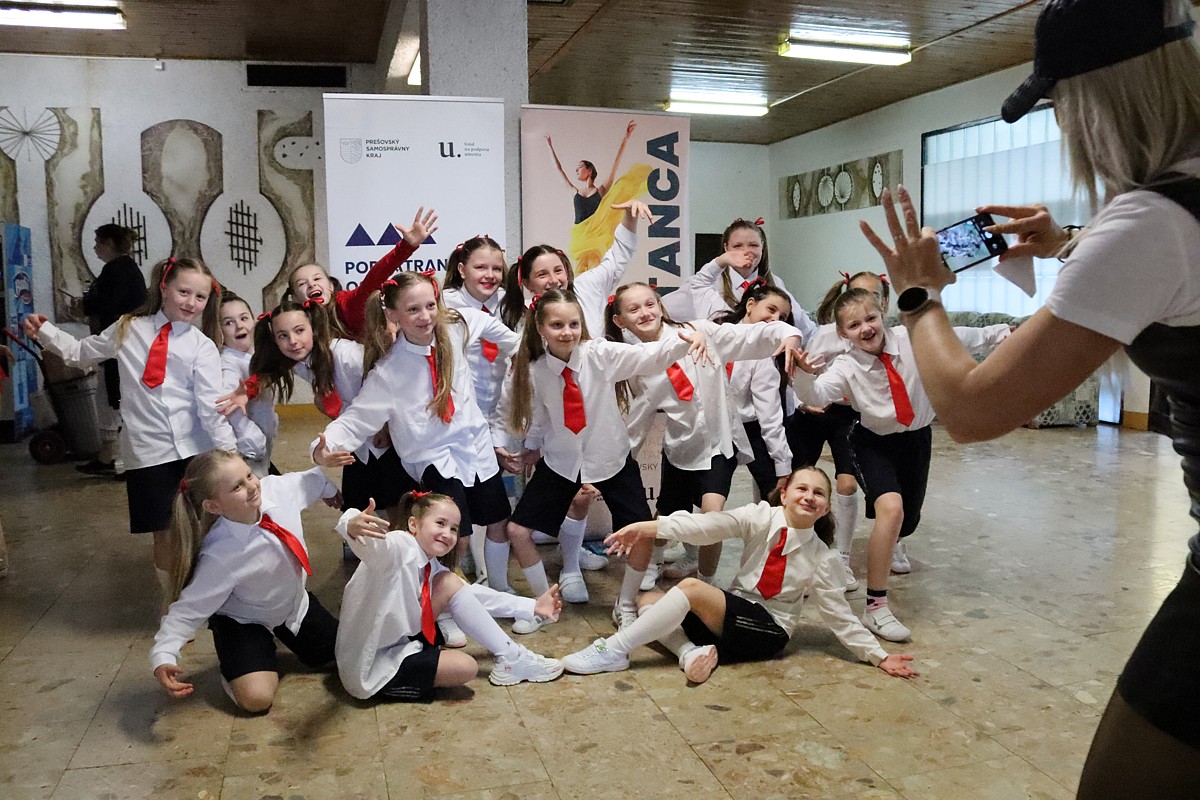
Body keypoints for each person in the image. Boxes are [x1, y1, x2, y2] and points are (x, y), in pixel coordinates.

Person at [857, 1, 1200, 793]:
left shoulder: (1150, 221)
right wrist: (1076, 244)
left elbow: (973, 410)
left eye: (1060, 108)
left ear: (1097, 101)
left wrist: (917, 297)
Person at [561, 466, 919, 683]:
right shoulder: (760, 517)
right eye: (802, 488)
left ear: (826, 507)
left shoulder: (823, 557)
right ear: (784, 494)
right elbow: (707, 526)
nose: (809, 497)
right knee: (648, 602)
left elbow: (840, 615)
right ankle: (689, 654)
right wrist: (647, 526)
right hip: (732, 615)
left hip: (768, 631)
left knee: (690, 588)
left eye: (818, 493)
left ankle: (613, 650)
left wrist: (877, 655)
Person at [792, 289, 1009, 641]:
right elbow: (815, 395)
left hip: (916, 439)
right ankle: (875, 607)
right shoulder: (847, 364)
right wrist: (803, 375)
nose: (865, 328)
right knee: (890, 510)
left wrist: (1005, 334)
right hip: (872, 442)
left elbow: (962, 337)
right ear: (843, 333)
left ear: (883, 313)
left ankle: (894, 540)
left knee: (906, 521)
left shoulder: (912, 341)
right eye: (854, 325)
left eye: (870, 319)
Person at [24, 257, 248, 590]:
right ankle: (173, 601)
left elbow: (209, 407)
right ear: (164, 288)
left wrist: (230, 453)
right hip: (148, 453)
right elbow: (81, 352)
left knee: (205, 525)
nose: (191, 302)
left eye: (200, 297)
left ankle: (209, 593)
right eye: (184, 292)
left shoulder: (202, 346)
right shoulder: (128, 328)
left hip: (195, 449)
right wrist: (45, 332)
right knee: (164, 531)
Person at [500, 289, 707, 631]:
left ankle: (625, 604)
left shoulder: (600, 354)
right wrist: (533, 447)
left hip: (611, 458)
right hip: (561, 461)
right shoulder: (535, 370)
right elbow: (538, 416)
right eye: (556, 325)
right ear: (540, 328)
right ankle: (543, 605)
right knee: (517, 531)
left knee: (642, 531)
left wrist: (687, 341)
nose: (567, 332)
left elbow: (649, 356)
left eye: (573, 324)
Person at [312, 272, 520, 581]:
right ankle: (446, 602)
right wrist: (322, 448)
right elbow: (356, 419)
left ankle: (500, 588)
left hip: (476, 448)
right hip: (434, 458)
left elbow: (508, 338)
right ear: (392, 315)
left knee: (498, 520)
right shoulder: (389, 372)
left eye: (430, 305)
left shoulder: (456, 327)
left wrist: (520, 352)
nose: (425, 316)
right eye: (413, 310)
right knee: (454, 537)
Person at [610, 281, 802, 588]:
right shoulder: (637, 362)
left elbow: (749, 334)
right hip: (680, 448)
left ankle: (707, 582)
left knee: (713, 517)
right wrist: (616, 463)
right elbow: (638, 419)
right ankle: (653, 563)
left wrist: (788, 334)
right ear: (620, 320)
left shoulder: (700, 331)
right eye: (633, 309)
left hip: (718, 445)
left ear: (660, 306)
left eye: (649, 304)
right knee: (667, 515)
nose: (645, 313)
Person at [150, 450, 342, 712]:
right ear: (213, 507)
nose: (252, 486)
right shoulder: (220, 556)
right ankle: (237, 658)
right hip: (246, 620)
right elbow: (188, 609)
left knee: (346, 656)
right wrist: (164, 654)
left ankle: (278, 640)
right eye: (237, 487)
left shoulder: (277, 491)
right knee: (257, 699)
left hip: (293, 606)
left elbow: (310, 480)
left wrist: (329, 490)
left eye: (250, 475)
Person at [335, 491, 564, 701]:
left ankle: (511, 656)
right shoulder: (400, 545)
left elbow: (472, 595)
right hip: (371, 662)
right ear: (413, 524)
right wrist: (351, 524)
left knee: (450, 583)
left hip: (397, 642)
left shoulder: (431, 564)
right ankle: (389, 686)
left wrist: (532, 606)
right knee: (465, 667)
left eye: (454, 529)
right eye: (440, 523)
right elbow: (373, 546)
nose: (447, 534)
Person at [793, 271, 892, 590]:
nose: (861, 307)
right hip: (818, 410)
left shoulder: (886, 336)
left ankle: (843, 558)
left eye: (872, 299)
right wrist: (803, 401)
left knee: (847, 484)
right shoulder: (826, 334)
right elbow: (806, 372)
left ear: (882, 303)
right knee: (797, 478)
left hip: (852, 415)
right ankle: (794, 550)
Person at [286, 206, 437, 340]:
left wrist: (406, 246)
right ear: (295, 298)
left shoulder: (347, 305)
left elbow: (375, 278)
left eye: (317, 278)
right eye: (302, 283)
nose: (311, 284)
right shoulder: (290, 322)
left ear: (331, 286)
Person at [77, 223, 147, 476]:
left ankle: (122, 460)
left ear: (108, 244)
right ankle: (109, 455)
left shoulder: (117, 270)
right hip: (121, 343)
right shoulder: (125, 269)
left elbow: (105, 304)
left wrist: (85, 304)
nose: (95, 247)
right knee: (110, 397)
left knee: (116, 398)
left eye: (98, 242)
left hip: (119, 344)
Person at [545, 121, 652, 271]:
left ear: (589, 170)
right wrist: (550, 146)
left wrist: (626, 138)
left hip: (596, 237)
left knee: (596, 270)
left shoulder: (601, 190)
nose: (576, 170)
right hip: (581, 237)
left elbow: (615, 163)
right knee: (580, 271)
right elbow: (559, 169)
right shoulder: (574, 192)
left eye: (580, 167)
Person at [218, 293, 274, 477]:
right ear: (220, 330)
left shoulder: (252, 356)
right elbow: (224, 404)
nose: (239, 326)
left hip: (260, 453)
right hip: (247, 456)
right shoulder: (228, 365)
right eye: (229, 322)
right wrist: (251, 438)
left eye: (243, 318)